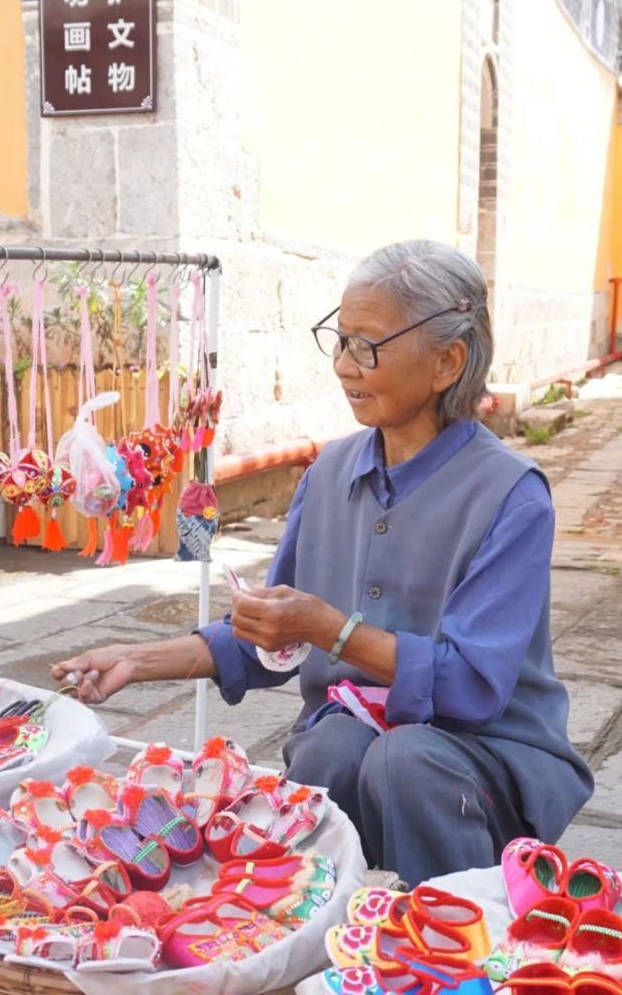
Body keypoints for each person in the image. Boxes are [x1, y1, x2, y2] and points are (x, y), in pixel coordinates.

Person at [52, 239, 593, 887]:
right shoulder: (330, 473)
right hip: (368, 738)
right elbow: (273, 640)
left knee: (406, 762)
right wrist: (136, 661)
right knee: (330, 746)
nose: (344, 366)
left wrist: (330, 629)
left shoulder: (512, 495)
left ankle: (459, 947)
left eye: (368, 347)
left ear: (448, 361)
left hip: (486, 755)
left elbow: (472, 685)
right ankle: (315, 931)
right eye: (339, 341)